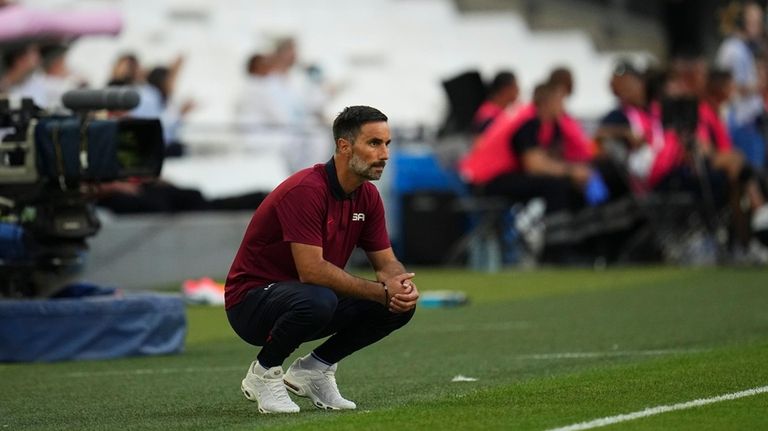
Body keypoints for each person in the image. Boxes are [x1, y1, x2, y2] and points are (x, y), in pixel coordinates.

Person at [225, 105, 419, 414]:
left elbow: (386, 263)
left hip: (308, 297)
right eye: (374, 143)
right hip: (250, 303)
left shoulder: (367, 196)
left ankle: (314, 370)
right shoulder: (307, 190)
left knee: (398, 307)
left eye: (387, 144)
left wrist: (398, 285)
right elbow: (312, 271)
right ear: (344, 146)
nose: (384, 154)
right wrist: (381, 292)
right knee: (319, 298)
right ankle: (264, 372)